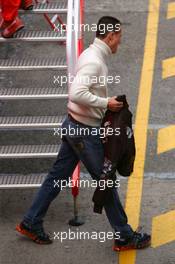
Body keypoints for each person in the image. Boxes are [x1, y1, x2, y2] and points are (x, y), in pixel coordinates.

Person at [16, 16, 151, 251]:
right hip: (83, 133)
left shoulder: (91, 54)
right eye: (119, 37)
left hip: (73, 127)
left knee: (57, 177)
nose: (120, 42)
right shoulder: (94, 62)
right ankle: (124, 236)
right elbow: (76, 93)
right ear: (110, 37)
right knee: (105, 181)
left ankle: (31, 221)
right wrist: (106, 103)